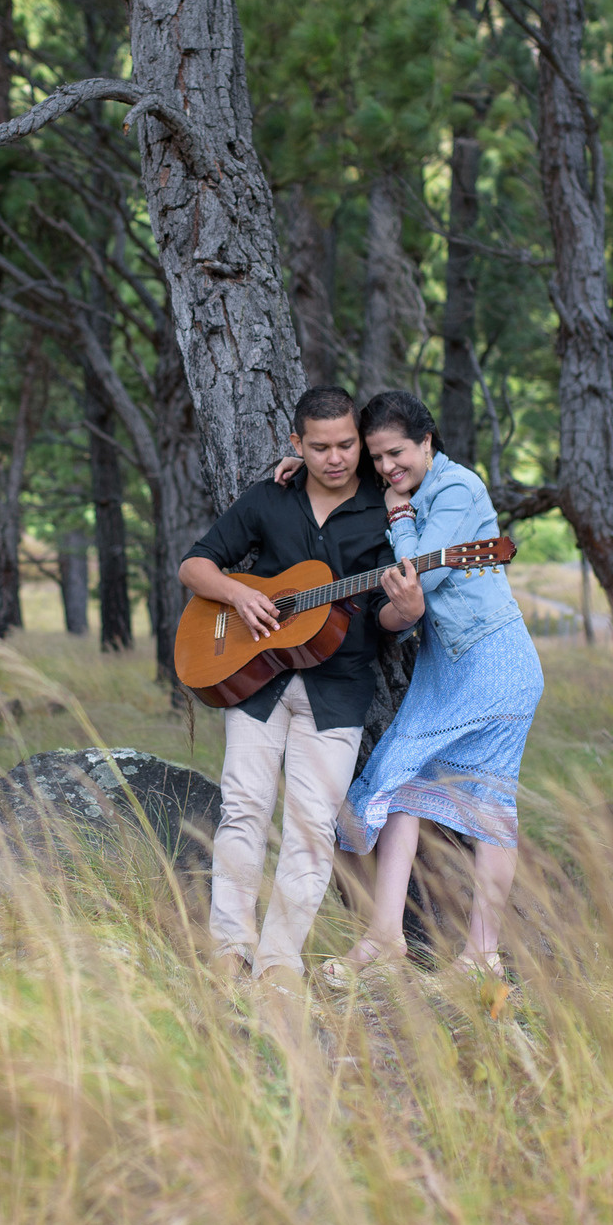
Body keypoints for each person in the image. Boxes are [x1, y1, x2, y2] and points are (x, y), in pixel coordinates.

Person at [177, 387, 421, 983]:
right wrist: (240, 593)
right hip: (255, 682)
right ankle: (228, 948)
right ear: (296, 445)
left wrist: (408, 610)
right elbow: (194, 565)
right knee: (243, 809)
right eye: (320, 447)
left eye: (346, 445)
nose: (335, 458)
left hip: (338, 690)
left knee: (311, 827)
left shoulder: (386, 508)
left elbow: (388, 621)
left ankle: (280, 965)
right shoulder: (269, 498)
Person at [321, 390, 542, 977]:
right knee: (401, 787)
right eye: (378, 460)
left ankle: (482, 953)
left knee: (491, 803)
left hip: (495, 665)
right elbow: (341, 484)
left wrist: (396, 516)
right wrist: (292, 470)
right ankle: (387, 937)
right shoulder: (408, 486)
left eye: (397, 453)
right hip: (447, 671)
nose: (388, 469)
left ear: (427, 441)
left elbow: (421, 569)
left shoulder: (457, 489)